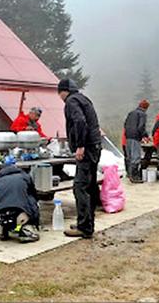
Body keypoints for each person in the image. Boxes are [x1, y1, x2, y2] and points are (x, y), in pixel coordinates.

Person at [58, 79, 101, 239]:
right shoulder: (83, 98)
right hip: (95, 145)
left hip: (87, 148)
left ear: (63, 91)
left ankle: (84, 227)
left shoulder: (71, 101)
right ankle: (87, 224)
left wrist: (80, 145)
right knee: (89, 186)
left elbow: (80, 121)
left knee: (79, 186)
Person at [0, 156, 40, 243]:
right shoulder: (25, 177)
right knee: (30, 200)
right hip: (20, 214)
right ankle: (26, 230)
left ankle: (2, 230)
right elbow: (33, 194)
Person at [123, 99, 150, 183]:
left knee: (130, 157)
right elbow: (141, 127)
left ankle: (129, 174)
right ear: (146, 107)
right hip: (135, 137)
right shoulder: (142, 114)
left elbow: (125, 124)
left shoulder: (131, 113)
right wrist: (145, 135)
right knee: (136, 157)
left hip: (127, 136)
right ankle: (134, 177)